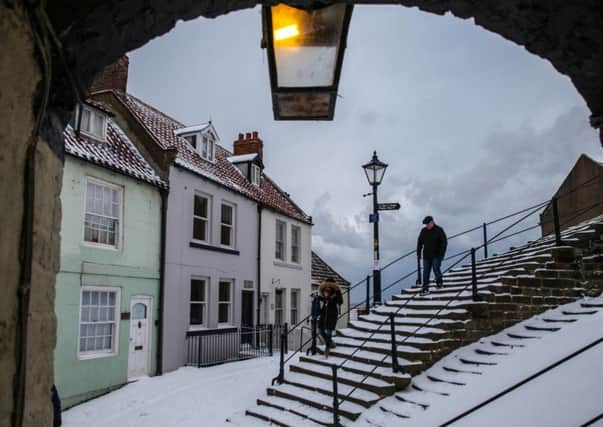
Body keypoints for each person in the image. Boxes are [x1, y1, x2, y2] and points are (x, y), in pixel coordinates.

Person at [417, 215, 447, 295]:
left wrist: (441, 255)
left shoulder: (439, 230)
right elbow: (419, 243)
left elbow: (444, 243)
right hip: (426, 255)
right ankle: (425, 288)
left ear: (432, 222)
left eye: (428, 224)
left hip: (436, 255)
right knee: (425, 272)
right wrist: (418, 254)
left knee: (436, 269)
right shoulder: (423, 231)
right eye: (425, 224)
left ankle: (439, 283)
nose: (427, 226)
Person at [318, 279, 343, 357]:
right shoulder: (324, 296)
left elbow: (340, 301)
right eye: (325, 290)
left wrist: (338, 292)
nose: (326, 291)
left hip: (331, 316)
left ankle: (327, 348)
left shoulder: (335, 296)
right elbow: (322, 300)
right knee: (321, 330)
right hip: (323, 316)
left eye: (328, 290)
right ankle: (331, 343)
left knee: (329, 332)